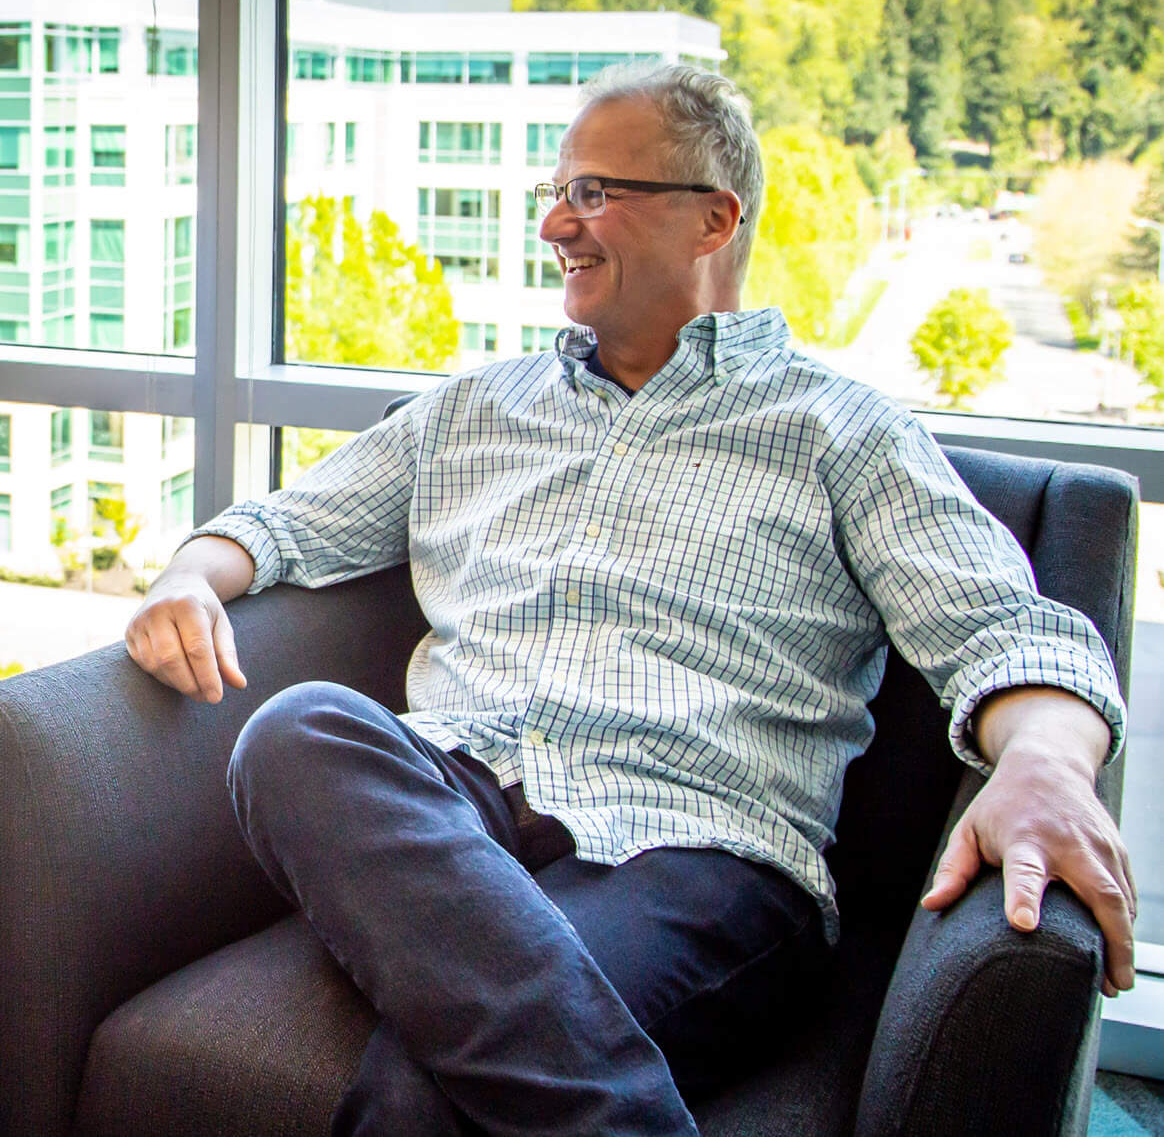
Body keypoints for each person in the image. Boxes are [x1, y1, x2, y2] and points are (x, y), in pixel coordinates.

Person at [125, 63, 1133, 1134]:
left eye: (594, 192)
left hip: (698, 852)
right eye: (555, 192)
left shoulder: (842, 431)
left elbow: (1009, 631)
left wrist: (1042, 758)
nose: (556, 222)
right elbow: (283, 525)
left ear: (712, 217)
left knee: (425, 1097)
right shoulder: (469, 407)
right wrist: (189, 571)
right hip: (454, 800)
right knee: (298, 728)